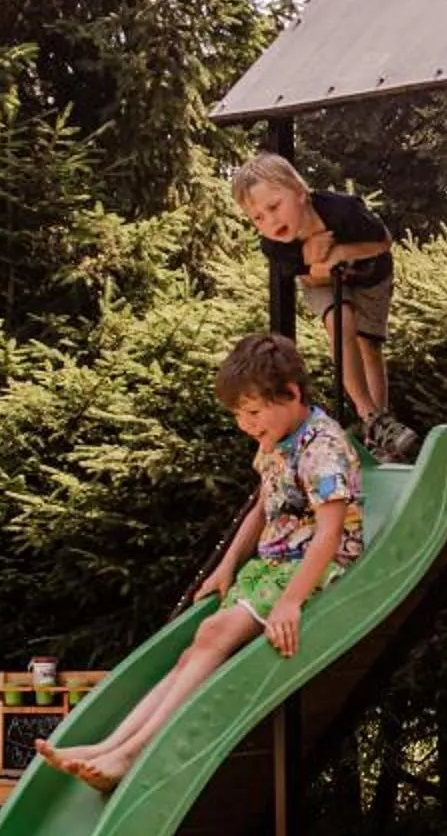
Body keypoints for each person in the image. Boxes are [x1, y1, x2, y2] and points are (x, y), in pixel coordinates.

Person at [35, 332, 361, 791]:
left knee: (215, 634)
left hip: (310, 564)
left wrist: (291, 603)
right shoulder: (276, 440)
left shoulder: (322, 448)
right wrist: (227, 565)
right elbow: (260, 506)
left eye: (253, 412)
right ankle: (111, 745)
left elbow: (330, 533)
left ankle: (130, 754)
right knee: (197, 646)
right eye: (237, 415)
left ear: (290, 394)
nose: (246, 424)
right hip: (274, 562)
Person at [228, 151, 417, 462]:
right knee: (339, 320)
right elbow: (310, 278)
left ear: (301, 193)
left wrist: (341, 251)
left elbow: (383, 242)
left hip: (371, 275)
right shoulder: (274, 245)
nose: (270, 221)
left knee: (370, 346)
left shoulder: (343, 210)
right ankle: (369, 413)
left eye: (274, 206)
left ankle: (381, 428)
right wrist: (315, 263)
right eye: (258, 217)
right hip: (322, 282)